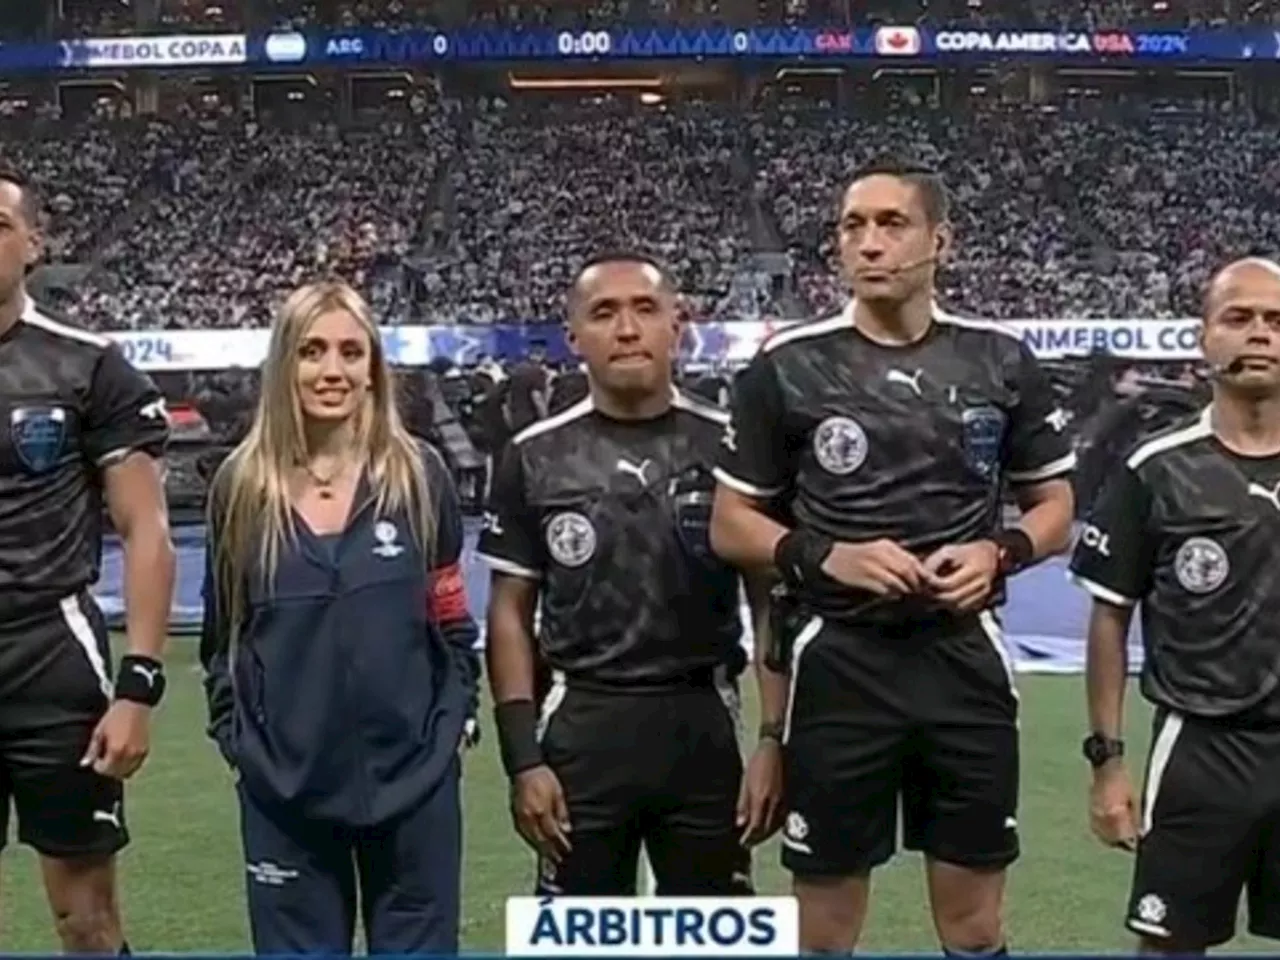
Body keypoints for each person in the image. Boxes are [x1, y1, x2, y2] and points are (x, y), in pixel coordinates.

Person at [709, 159, 1077, 954]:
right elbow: (732, 524)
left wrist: (1001, 551)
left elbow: (1058, 513)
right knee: (823, 928)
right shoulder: (786, 365)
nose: (868, 243)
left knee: (974, 924)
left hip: (963, 662)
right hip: (841, 664)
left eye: (890, 224)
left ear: (939, 241)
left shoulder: (1002, 360)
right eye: (852, 226)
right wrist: (823, 555)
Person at [479, 252, 781, 896]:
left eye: (645, 309)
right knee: (579, 935)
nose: (626, 328)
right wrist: (522, 758)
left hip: (703, 724)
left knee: (710, 937)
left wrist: (774, 739)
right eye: (604, 312)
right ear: (573, 338)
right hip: (583, 725)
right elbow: (507, 612)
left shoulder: (732, 447)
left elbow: (768, 600)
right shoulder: (533, 456)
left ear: (680, 325)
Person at [199, 281, 479, 955]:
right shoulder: (240, 490)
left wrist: (449, 730)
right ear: (282, 365)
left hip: (416, 789)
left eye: (351, 352)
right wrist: (245, 747)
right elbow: (222, 642)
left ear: (373, 367)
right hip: (284, 796)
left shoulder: (419, 477)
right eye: (312, 351)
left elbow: (451, 622)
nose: (333, 371)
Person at [1069, 257, 1280, 955]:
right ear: (1203, 337)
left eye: (1276, 321)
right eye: (1239, 318)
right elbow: (1109, 616)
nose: (1259, 334)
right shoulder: (1154, 469)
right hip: (1201, 749)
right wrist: (1107, 760)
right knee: (1168, 945)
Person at [0, 169, 174, 952]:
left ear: (35, 243)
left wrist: (138, 685)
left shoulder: (91, 366)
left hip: (48, 660)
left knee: (86, 919)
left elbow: (146, 531)